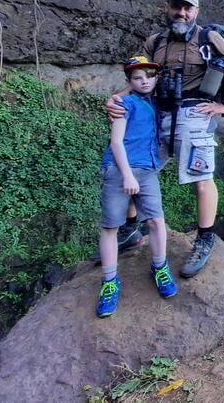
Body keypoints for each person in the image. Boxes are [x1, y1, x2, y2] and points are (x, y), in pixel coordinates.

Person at [108, 0, 224, 278]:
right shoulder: (154, 42)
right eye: (176, 7)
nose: (181, 13)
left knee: (202, 177)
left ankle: (205, 237)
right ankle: (130, 231)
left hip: (195, 114)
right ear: (168, 7)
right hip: (158, 113)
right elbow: (140, 78)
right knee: (139, 168)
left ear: (196, 11)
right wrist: (116, 98)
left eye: (187, 8)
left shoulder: (208, 38)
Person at [97, 57, 177, 318]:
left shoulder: (153, 102)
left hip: (148, 170)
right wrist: (127, 176)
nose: (144, 81)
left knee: (156, 220)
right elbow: (117, 142)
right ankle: (110, 281)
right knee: (110, 227)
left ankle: (160, 267)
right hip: (120, 171)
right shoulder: (124, 104)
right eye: (137, 78)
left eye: (149, 76)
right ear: (129, 82)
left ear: (156, 78)